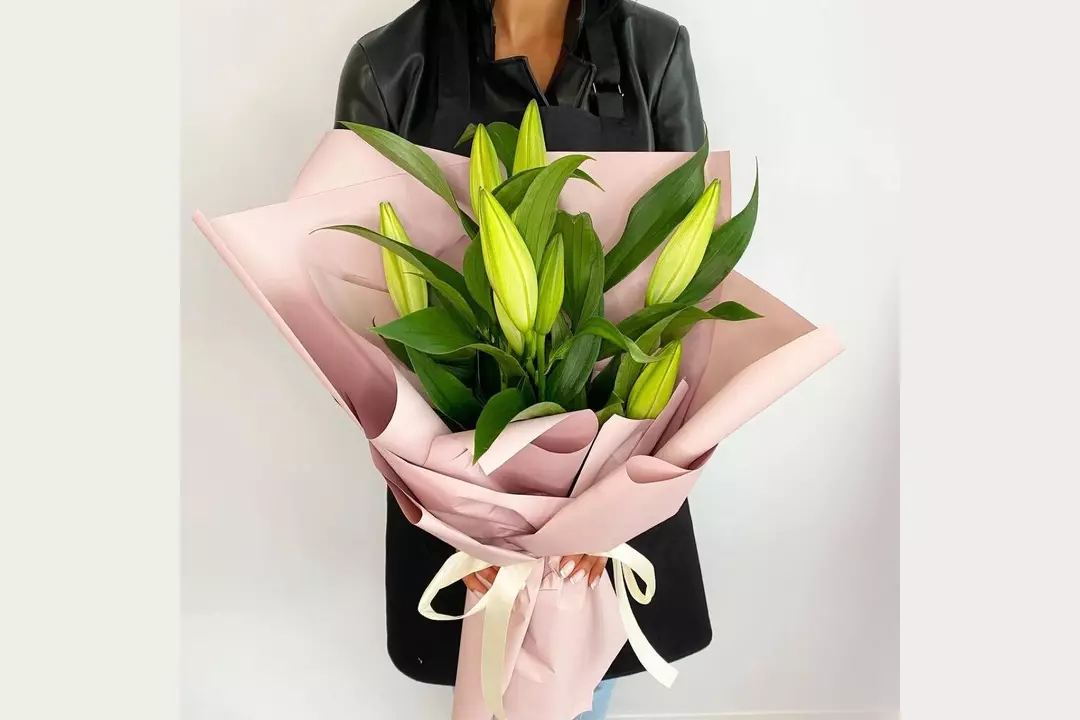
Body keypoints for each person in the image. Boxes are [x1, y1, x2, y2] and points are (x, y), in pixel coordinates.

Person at [334, 1, 710, 716]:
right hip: (458, 508)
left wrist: (610, 513)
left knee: (583, 687)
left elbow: (686, 285)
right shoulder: (390, 67)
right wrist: (469, 521)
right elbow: (359, 310)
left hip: (615, 495)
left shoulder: (652, 52)